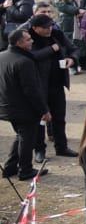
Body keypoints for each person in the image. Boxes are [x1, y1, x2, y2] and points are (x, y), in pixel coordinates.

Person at [0, 28, 50, 181]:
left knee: (21, 136)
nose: (32, 41)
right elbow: (31, 91)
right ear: (19, 43)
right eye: (28, 39)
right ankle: (25, 169)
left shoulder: (2, 56)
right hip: (23, 109)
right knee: (27, 138)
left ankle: (10, 166)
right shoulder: (24, 62)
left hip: (7, 106)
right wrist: (44, 110)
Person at [28, 14, 76, 160]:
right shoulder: (28, 38)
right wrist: (52, 49)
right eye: (45, 27)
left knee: (59, 117)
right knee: (40, 120)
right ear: (35, 28)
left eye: (50, 26)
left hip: (57, 84)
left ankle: (61, 147)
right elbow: (32, 56)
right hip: (39, 86)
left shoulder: (57, 34)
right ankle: (39, 150)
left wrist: (71, 58)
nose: (49, 29)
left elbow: (73, 48)